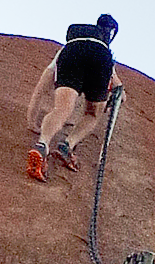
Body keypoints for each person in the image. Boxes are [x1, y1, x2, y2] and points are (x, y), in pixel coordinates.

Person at [26, 14, 124, 182]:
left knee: (62, 109)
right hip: (101, 61)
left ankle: (42, 144)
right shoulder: (104, 49)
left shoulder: (71, 43)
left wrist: (31, 118)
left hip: (71, 56)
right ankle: (67, 145)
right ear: (111, 34)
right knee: (93, 114)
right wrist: (118, 96)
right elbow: (118, 86)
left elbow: (43, 84)